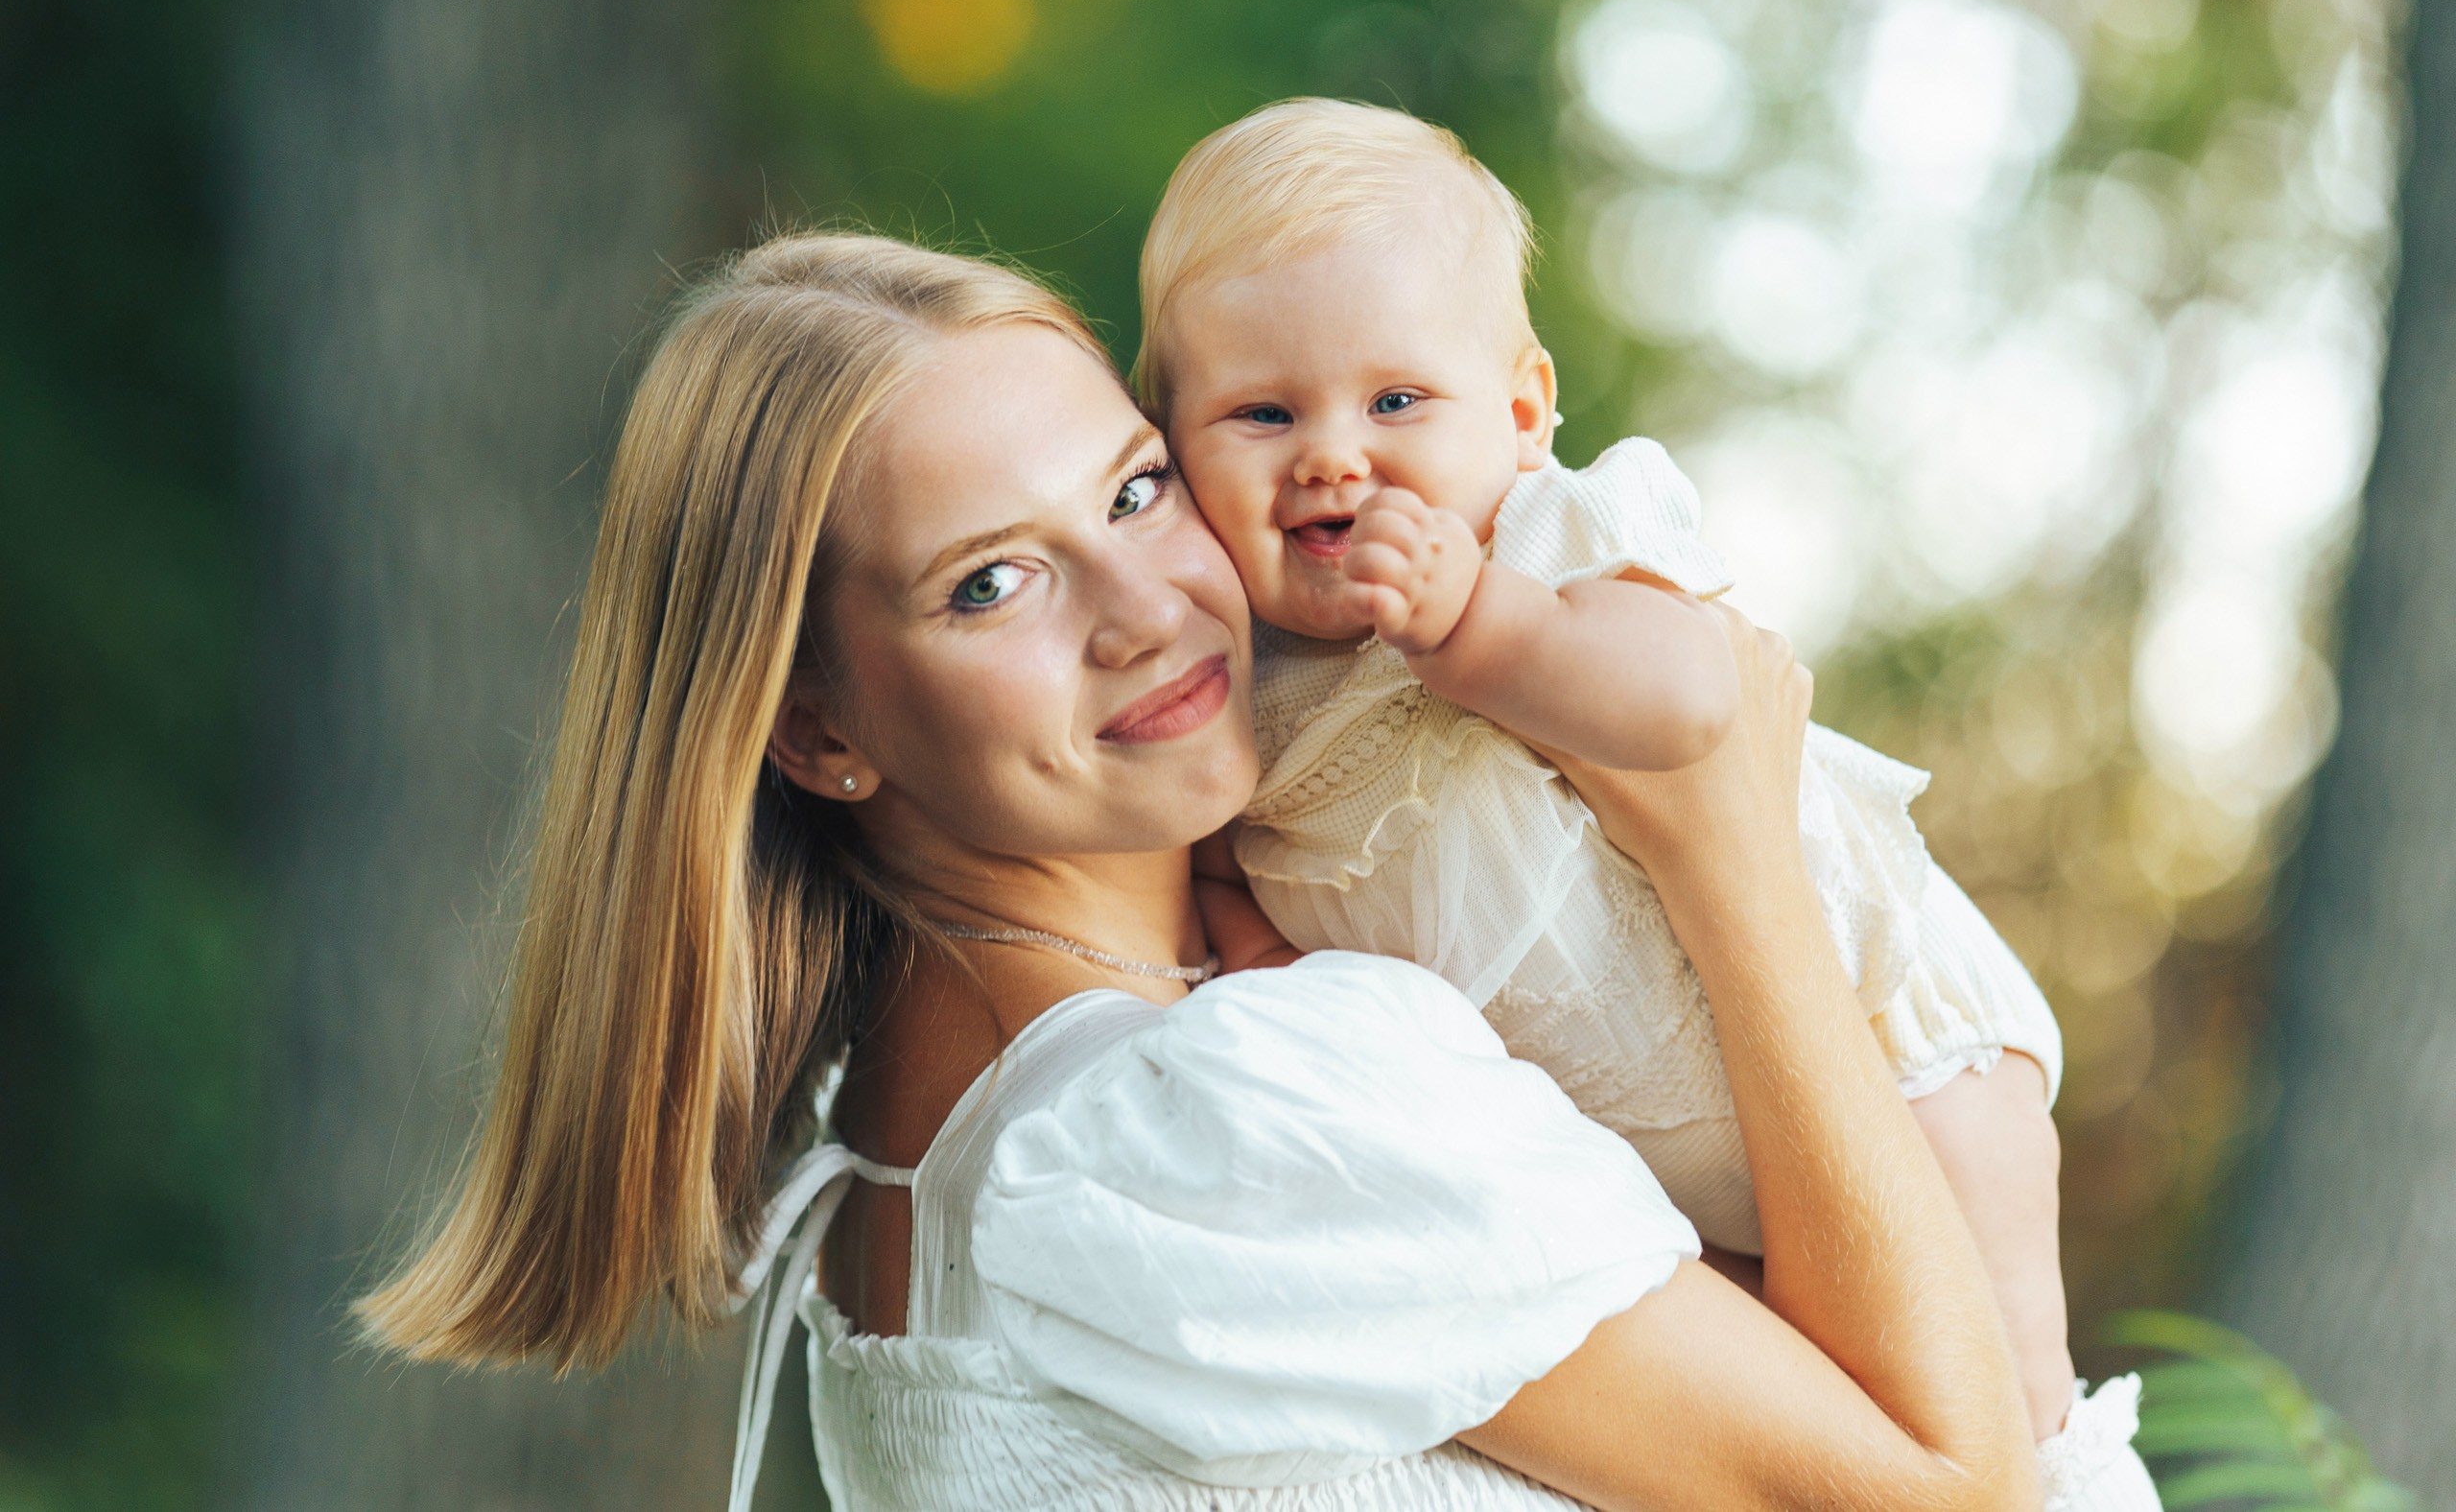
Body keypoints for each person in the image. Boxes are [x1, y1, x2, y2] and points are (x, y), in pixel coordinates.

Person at [357, 232, 2153, 1510]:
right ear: (820, 734)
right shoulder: (1225, 1119)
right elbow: (1948, 1490)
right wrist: (1726, 839)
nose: (1152, 607)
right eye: (992, 582)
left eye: (1135, 493)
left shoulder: (897, 1149)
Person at [1138, 97, 2114, 1450]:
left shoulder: (1554, 537)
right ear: (1173, 440)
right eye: (1260, 412)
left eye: (1399, 399)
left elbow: (1694, 697)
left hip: (1887, 1037)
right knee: (1809, 1394)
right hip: (1656, 1164)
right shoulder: (1237, 694)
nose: (1333, 454)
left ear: (1525, 408)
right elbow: (1214, 868)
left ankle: (2057, 1452)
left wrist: (1483, 623)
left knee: (2000, 1361)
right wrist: (1260, 966)